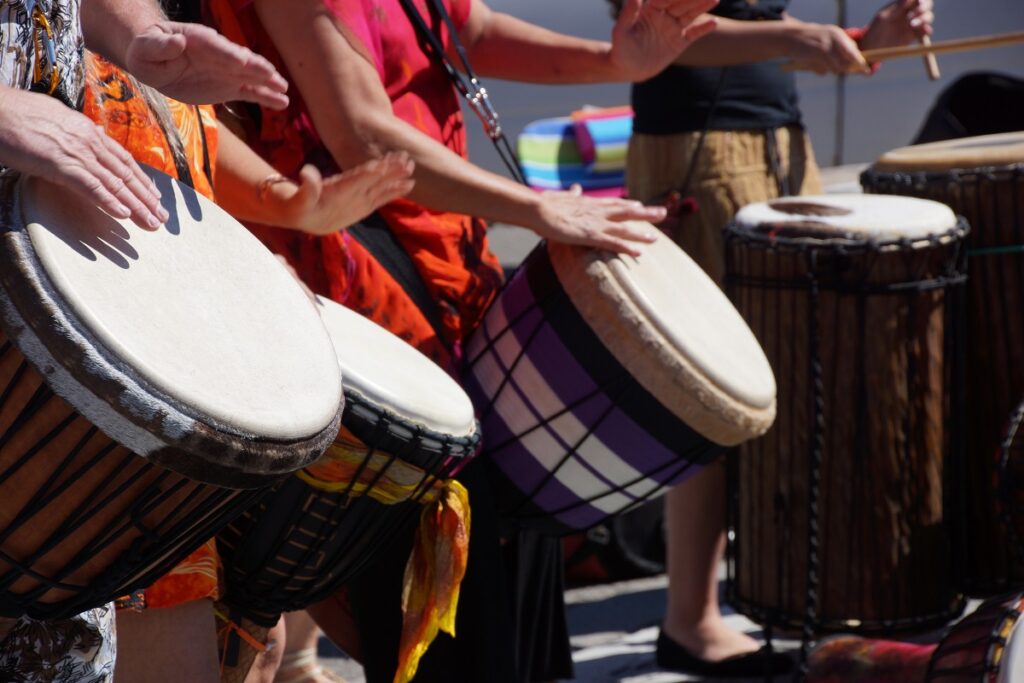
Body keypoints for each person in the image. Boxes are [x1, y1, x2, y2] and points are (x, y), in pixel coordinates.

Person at [199, 0, 716, 681]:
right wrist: (539, 207)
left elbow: (461, 26)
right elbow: (360, 136)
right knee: (441, 600)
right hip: (369, 284)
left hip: (448, 263)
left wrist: (614, 62)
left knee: (507, 560)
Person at [615, 0, 934, 676]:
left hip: (779, 143)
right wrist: (801, 33)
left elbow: (756, 30)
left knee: (793, 377)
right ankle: (691, 619)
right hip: (700, 154)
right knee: (711, 388)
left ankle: (792, 596)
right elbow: (657, 36)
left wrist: (863, 41)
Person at [77, 50, 413, 683]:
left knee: (248, 650)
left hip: (172, 401)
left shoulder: (129, 46)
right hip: (82, 400)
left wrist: (288, 204)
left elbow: (165, 118)